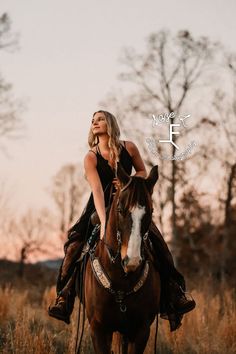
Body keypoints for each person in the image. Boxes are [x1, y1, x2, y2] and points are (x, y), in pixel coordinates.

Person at [48, 110, 196, 331]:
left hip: (129, 206)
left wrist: (129, 184)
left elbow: (143, 172)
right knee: (74, 248)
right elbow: (97, 191)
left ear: (109, 123)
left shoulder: (129, 147)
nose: (95, 122)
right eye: (92, 120)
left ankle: (175, 293)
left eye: (99, 119)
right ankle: (64, 297)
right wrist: (104, 222)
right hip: (102, 208)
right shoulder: (91, 156)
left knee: (158, 244)